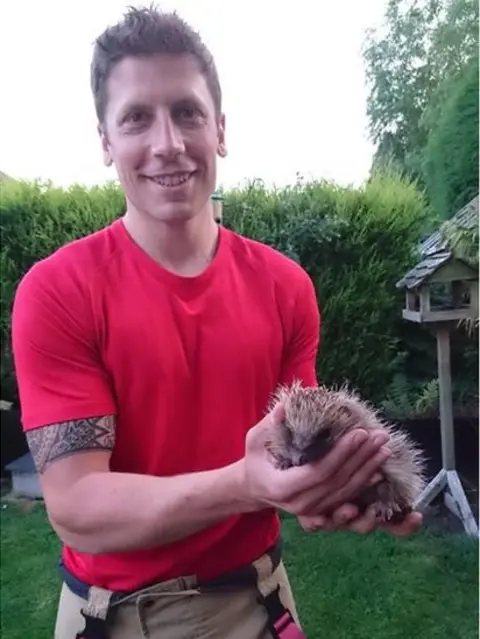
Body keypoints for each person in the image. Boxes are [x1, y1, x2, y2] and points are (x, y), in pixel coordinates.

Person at [11, 6, 422, 639]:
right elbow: (78, 510)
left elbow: (293, 453)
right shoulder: (58, 292)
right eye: (136, 118)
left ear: (220, 129)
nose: (167, 143)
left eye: (187, 112)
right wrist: (246, 484)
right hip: (116, 617)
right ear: (104, 141)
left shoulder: (286, 288)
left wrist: (340, 489)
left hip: (257, 600)